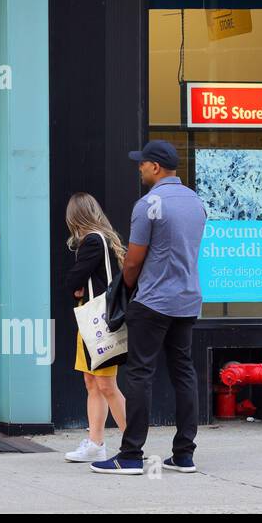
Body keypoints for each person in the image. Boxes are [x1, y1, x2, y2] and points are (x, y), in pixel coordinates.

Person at [93, 140, 206, 475]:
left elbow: (132, 261)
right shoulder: (195, 202)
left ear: (156, 167)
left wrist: (125, 290)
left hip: (153, 301)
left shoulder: (149, 204)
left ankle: (130, 455)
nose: (139, 167)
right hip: (187, 300)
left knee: (141, 374)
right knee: (183, 372)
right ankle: (184, 454)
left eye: (142, 163)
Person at [61, 192, 128, 463]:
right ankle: (96, 443)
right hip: (94, 322)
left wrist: (75, 286)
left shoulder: (91, 241)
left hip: (99, 322)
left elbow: (73, 280)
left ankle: (132, 442)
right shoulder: (105, 239)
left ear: (75, 217)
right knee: (93, 382)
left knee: (106, 384)